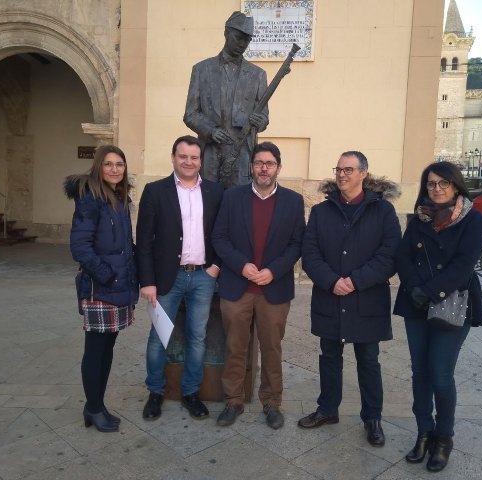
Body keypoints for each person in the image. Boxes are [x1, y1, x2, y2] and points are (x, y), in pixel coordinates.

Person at [298, 151, 401, 448]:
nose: (342, 174)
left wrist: (355, 281)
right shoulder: (321, 211)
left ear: (363, 174)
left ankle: (372, 417)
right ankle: (328, 409)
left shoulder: (383, 212)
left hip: (366, 300)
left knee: (368, 360)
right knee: (329, 357)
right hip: (330, 298)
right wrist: (332, 281)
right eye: (339, 169)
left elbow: (389, 255)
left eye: (348, 169)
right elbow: (310, 253)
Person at [393, 161, 482, 472]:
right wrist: (414, 287)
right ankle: (424, 433)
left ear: (456, 185)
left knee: (440, 375)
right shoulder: (419, 217)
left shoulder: (472, 219)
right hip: (416, 303)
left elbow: (464, 265)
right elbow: (403, 256)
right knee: (419, 373)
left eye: (443, 183)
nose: (437, 189)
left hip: (452, 303)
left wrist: (430, 291)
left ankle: (444, 438)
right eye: (431, 184)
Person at [211, 142, 305, 429]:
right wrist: (242, 265)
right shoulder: (232, 197)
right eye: (259, 162)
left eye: (270, 163)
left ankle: (272, 402)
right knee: (235, 346)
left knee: (272, 348)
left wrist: (272, 271)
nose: (264, 168)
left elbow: (296, 244)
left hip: (273, 290)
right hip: (237, 287)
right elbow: (220, 238)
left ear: (278, 167)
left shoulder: (293, 200)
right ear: (251, 166)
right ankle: (233, 400)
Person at [136, 135, 224, 421]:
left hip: (202, 277)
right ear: (174, 157)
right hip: (165, 279)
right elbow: (145, 241)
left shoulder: (214, 192)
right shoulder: (155, 191)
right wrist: (147, 280)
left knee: (197, 337)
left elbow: (223, 234)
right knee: (158, 337)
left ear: (201, 161)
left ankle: (190, 393)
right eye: (183, 156)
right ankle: (155, 392)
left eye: (194, 157)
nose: (188, 162)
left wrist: (216, 266)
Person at [65, 145, 138, 433]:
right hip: (100, 289)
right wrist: (106, 275)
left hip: (118, 286)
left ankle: (96, 404)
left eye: (119, 164)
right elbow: (79, 247)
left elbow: (122, 246)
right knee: (95, 351)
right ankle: (93, 408)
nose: (114, 169)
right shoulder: (89, 199)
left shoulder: (119, 198)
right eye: (108, 164)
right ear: (98, 167)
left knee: (107, 349)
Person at [184, 11, 269, 188]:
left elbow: (264, 119)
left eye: (247, 40)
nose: (242, 44)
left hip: (243, 155)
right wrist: (210, 130)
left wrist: (259, 121)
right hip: (210, 154)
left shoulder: (257, 75)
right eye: (239, 37)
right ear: (226, 32)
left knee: (239, 208)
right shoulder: (202, 70)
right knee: (208, 207)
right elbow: (190, 113)